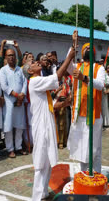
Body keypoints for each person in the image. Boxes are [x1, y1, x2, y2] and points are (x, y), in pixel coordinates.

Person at [28, 34, 76, 201]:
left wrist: (65, 103)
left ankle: (43, 193)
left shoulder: (40, 80)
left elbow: (52, 103)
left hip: (47, 123)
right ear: (29, 70)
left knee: (47, 161)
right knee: (40, 164)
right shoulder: (34, 81)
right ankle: (36, 197)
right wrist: (69, 57)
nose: (37, 63)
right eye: (33, 63)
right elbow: (58, 76)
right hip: (40, 126)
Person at [67, 40, 106, 173]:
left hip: (93, 115)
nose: (88, 49)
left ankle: (96, 175)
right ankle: (83, 174)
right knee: (81, 149)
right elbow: (67, 67)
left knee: (94, 149)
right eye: (85, 47)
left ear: (94, 53)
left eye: (91, 47)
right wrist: (73, 44)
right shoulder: (77, 66)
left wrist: (84, 78)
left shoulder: (99, 68)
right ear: (82, 52)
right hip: (79, 114)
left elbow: (100, 85)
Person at [0, 49, 27, 158]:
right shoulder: (3, 70)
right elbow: (4, 86)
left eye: (13, 55)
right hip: (9, 102)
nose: (12, 57)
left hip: (20, 101)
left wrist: (21, 96)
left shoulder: (20, 70)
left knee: (20, 125)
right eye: (9, 55)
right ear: (5, 57)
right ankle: (10, 149)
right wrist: (16, 95)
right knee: (9, 126)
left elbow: (24, 83)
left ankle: (18, 147)